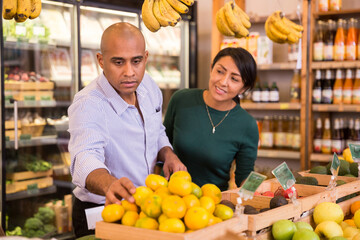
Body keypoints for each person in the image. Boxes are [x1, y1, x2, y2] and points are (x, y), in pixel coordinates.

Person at [68, 22, 186, 238]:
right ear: (101, 61)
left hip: (144, 207)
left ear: (146, 58)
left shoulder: (148, 87)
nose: (129, 72)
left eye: (136, 61)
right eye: (118, 62)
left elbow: (156, 130)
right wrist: (108, 184)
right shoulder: (88, 104)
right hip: (102, 211)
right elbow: (84, 158)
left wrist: (167, 154)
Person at [163, 47, 259, 191]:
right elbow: (161, 143)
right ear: (211, 69)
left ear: (243, 88)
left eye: (234, 79)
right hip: (169, 197)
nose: (223, 82)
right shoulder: (181, 100)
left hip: (213, 203)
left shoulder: (247, 125)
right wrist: (169, 155)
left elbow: (244, 177)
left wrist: (261, 191)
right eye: (220, 71)